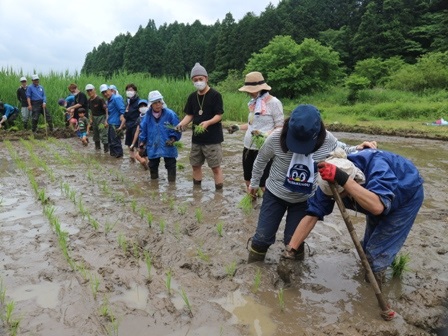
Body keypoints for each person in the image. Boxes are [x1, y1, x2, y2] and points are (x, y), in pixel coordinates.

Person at [246, 104, 378, 263]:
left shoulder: (327, 140)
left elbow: (343, 150)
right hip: (275, 194)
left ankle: (293, 275)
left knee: (294, 242)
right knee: (262, 239)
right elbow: (261, 160)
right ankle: (253, 268)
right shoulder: (275, 138)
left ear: (317, 134)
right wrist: (253, 184)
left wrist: (360, 147)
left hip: (304, 199)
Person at [285, 148, 424, 289]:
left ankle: (372, 291)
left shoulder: (376, 166)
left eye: (342, 194)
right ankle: (368, 278)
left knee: (377, 253)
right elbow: (311, 215)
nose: (336, 198)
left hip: (405, 197)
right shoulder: (329, 181)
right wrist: (290, 251)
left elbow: (377, 207)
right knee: (367, 248)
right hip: (369, 197)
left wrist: (344, 180)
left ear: (357, 180)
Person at [228, 71, 284, 192]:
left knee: (264, 183)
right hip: (248, 146)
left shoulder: (274, 103)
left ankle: (266, 207)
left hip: (265, 147)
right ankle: (251, 203)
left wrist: (265, 135)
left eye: (250, 90)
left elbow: (280, 127)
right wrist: (238, 127)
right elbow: (251, 125)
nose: (248, 92)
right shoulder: (254, 103)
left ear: (260, 88)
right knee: (248, 179)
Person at [177, 62, 225, 190]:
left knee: (215, 167)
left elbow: (219, 115)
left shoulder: (215, 95)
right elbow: (190, 115)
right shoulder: (192, 97)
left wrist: (208, 122)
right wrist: (181, 124)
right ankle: (197, 192)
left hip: (212, 138)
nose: (198, 82)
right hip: (197, 138)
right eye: (195, 80)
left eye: (200, 79)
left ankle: (219, 193)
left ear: (206, 79)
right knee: (195, 165)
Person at [139, 91, 181, 181]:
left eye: (159, 102)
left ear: (162, 102)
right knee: (153, 165)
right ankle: (154, 184)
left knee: (171, 165)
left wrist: (173, 139)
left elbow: (177, 128)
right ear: (151, 104)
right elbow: (143, 131)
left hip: (168, 144)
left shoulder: (170, 114)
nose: (157, 105)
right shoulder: (147, 116)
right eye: (155, 103)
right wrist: (142, 145)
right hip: (153, 144)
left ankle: (172, 185)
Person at [100, 84, 125, 158]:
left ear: (110, 90)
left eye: (106, 91)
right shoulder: (108, 101)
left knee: (115, 142)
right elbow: (108, 112)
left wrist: (122, 124)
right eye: (103, 93)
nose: (105, 94)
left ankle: (119, 158)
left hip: (116, 124)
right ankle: (113, 160)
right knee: (111, 142)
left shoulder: (116, 98)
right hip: (110, 123)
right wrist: (106, 120)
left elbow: (122, 110)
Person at [86, 84, 109, 153]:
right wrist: (90, 120)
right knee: (95, 134)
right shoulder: (89, 100)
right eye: (88, 91)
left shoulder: (100, 99)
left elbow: (106, 110)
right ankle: (97, 149)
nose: (90, 92)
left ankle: (106, 149)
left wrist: (106, 120)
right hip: (94, 118)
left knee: (103, 132)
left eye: (91, 90)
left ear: (94, 90)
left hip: (101, 118)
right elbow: (91, 111)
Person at [124, 83, 140, 161]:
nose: (129, 92)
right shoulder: (128, 102)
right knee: (129, 143)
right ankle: (132, 158)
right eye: (128, 90)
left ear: (135, 92)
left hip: (136, 125)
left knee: (137, 144)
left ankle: (140, 159)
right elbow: (125, 114)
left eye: (131, 90)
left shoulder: (139, 102)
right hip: (128, 125)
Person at [131, 99, 149, 170]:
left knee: (138, 156)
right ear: (138, 109)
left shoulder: (150, 117)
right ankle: (147, 167)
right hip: (141, 139)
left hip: (148, 139)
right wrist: (133, 143)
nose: (143, 107)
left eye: (144, 106)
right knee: (143, 155)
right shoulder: (139, 118)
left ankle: (145, 164)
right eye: (141, 106)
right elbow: (137, 131)